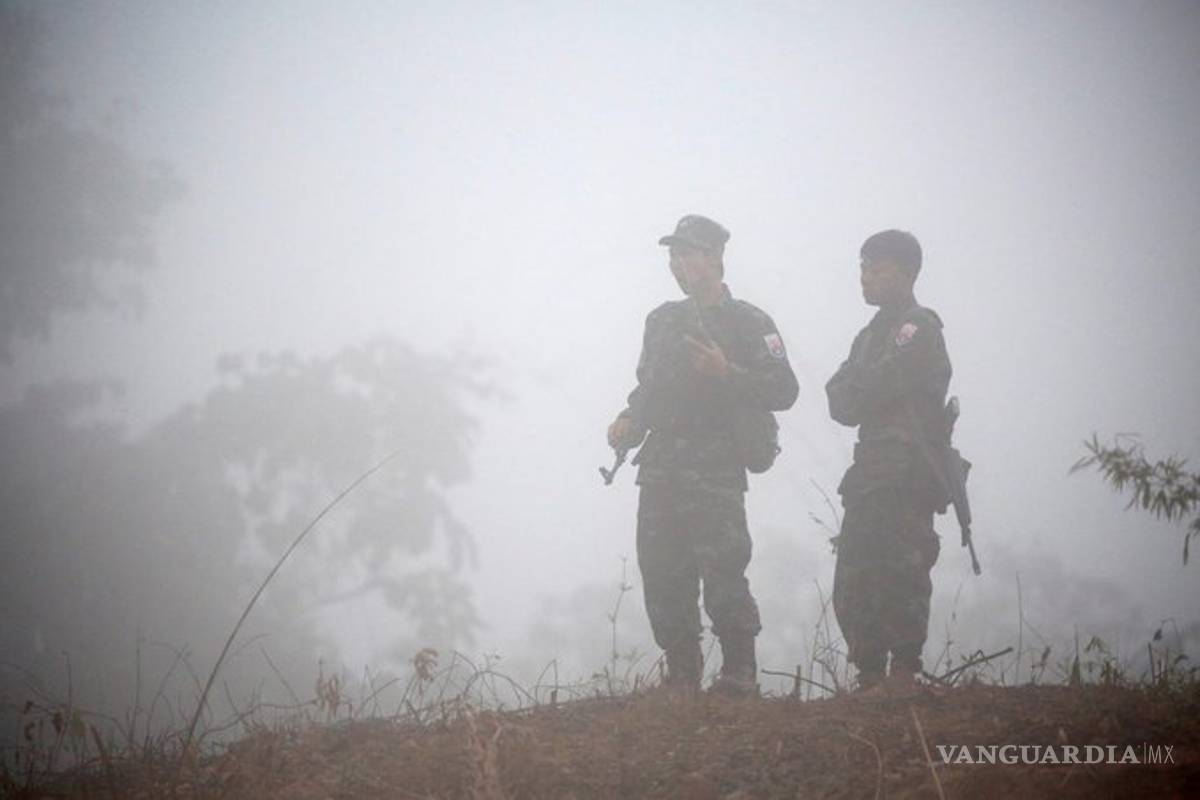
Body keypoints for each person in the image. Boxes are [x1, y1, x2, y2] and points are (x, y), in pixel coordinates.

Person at [606, 214, 799, 695]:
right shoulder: (662, 320)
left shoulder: (750, 321)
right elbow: (647, 389)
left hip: (715, 467)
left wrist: (726, 371)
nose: (679, 263)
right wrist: (629, 420)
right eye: (673, 254)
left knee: (723, 568)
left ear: (715, 258)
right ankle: (683, 676)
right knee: (662, 573)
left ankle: (738, 674)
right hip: (661, 466)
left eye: (689, 252)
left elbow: (784, 388)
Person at [825, 229, 953, 691]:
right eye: (862, 267)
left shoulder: (918, 327)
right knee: (857, 572)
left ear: (909, 272)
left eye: (877, 268)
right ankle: (869, 675)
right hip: (870, 470)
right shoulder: (869, 336)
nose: (866, 278)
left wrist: (863, 388)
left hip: (908, 469)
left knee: (902, 568)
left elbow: (873, 386)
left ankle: (903, 672)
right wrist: (864, 388)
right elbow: (838, 400)